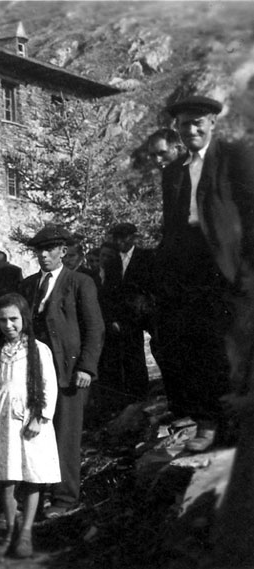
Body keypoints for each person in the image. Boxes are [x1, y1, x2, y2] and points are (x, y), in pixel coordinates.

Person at [156, 95, 254, 453]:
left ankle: (236, 424)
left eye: (198, 122)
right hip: (187, 268)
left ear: (212, 122)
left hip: (227, 265)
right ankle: (207, 422)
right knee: (193, 345)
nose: (191, 129)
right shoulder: (173, 171)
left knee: (231, 345)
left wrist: (246, 266)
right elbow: (171, 227)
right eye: (184, 124)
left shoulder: (233, 158)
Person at [19, 225, 104, 518]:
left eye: (49, 249)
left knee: (65, 435)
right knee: (33, 431)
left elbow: (94, 328)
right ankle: (33, 495)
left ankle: (65, 497)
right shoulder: (29, 285)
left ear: (62, 252)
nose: (43, 255)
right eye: (39, 250)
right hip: (34, 372)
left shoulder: (79, 282)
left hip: (68, 372)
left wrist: (87, 367)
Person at [0, 293, 60, 558]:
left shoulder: (39, 349)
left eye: (14, 319)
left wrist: (41, 417)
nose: (8, 325)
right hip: (3, 420)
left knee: (32, 475)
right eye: (2, 320)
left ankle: (26, 532)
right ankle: (10, 529)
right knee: (7, 476)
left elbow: (49, 385)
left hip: (31, 418)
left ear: (24, 318)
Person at [99, 223, 155, 405]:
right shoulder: (112, 263)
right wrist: (113, 319)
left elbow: (151, 288)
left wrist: (144, 312)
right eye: (116, 238)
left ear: (132, 238)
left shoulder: (146, 257)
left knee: (141, 356)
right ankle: (128, 399)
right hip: (120, 319)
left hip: (142, 315)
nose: (120, 242)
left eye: (124, 238)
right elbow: (109, 294)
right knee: (124, 358)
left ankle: (142, 397)